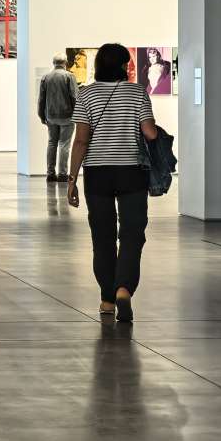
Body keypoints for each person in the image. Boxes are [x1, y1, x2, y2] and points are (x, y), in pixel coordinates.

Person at [67, 43, 160, 323]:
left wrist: (72, 179)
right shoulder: (137, 92)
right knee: (132, 233)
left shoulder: (86, 94)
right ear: (123, 65)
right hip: (132, 172)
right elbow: (150, 133)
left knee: (102, 236)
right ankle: (123, 289)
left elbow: (81, 140)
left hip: (97, 173)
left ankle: (107, 299)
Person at [38, 53, 80, 182]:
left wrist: (41, 115)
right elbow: (74, 97)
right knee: (64, 144)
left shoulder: (46, 77)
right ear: (65, 63)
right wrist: (78, 114)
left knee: (52, 143)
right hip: (67, 116)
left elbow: (41, 99)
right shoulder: (69, 76)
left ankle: (50, 174)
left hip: (50, 116)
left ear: (53, 63)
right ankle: (62, 174)